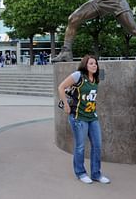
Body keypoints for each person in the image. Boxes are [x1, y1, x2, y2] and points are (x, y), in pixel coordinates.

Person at [57, 55, 110, 184]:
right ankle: (80, 173)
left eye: (95, 63)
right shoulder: (78, 76)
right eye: (91, 63)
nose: (94, 65)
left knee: (97, 146)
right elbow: (61, 87)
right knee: (80, 146)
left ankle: (96, 174)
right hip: (78, 117)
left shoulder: (96, 78)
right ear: (85, 64)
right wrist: (66, 104)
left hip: (92, 116)